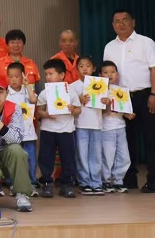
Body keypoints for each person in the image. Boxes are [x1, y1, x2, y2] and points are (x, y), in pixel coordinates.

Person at [102, 9, 155, 193]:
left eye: (125, 20)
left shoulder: (145, 42)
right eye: (117, 21)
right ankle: (128, 178)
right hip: (120, 97)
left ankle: (153, 180)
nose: (121, 24)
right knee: (126, 140)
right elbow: (106, 74)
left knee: (151, 138)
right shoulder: (109, 47)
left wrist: (154, 94)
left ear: (133, 22)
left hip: (144, 95)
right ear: (112, 25)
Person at [0, 74, 34, 212]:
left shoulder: (15, 109)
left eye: (0, 91)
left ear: (7, 92)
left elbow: (16, 139)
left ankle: (22, 194)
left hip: (6, 152)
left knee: (17, 149)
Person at [36, 58, 81, 198]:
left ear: (61, 75)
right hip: (48, 130)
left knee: (68, 158)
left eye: (51, 74)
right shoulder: (44, 93)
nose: (48, 77)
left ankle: (66, 184)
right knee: (46, 157)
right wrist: (46, 114)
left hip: (66, 130)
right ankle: (47, 183)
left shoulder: (71, 92)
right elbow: (39, 111)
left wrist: (73, 109)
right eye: (46, 74)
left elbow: (78, 110)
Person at [99, 60, 134, 193]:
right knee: (107, 156)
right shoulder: (99, 90)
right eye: (106, 72)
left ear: (117, 74)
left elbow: (122, 110)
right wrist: (106, 107)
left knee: (124, 156)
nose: (109, 75)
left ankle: (118, 180)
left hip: (120, 127)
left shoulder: (121, 90)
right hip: (106, 128)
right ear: (100, 75)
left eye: (112, 72)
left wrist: (128, 114)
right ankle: (106, 181)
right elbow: (98, 111)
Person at [72, 55, 105, 196]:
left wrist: (106, 102)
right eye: (81, 66)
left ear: (94, 68)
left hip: (96, 124)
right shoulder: (73, 86)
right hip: (80, 124)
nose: (84, 69)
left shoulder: (101, 84)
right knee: (82, 154)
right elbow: (68, 106)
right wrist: (77, 99)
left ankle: (96, 182)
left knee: (96, 154)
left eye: (88, 66)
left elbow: (105, 105)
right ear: (76, 69)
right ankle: (84, 182)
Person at [5, 61, 38, 193]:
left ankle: (32, 182)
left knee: (30, 158)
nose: (14, 79)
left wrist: (27, 85)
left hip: (28, 133)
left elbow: (34, 100)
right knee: (14, 158)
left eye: (17, 76)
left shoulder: (26, 91)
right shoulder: (6, 92)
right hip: (12, 133)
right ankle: (12, 183)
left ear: (23, 76)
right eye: (10, 76)